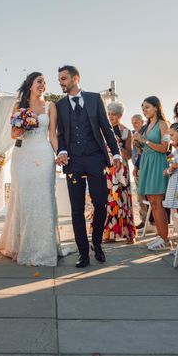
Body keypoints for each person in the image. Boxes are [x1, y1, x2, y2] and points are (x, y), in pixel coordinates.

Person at [55, 65, 121, 268]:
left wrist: (116, 152)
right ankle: (83, 252)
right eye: (59, 79)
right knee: (76, 209)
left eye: (64, 78)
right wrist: (62, 151)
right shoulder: (59, 105)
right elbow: (60, 133)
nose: (61, 82)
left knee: (100, 203)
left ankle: (97, 244)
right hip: (73, 161)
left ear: (75, 78)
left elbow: (106, 128)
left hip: (95, 158)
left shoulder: (94, 99)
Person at [0, 72, 63, 266]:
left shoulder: (50, 106)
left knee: (43, 197)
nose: (43, 85)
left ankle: (45, 247)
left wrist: (59, 153)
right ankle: (20, 245)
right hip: (22, 156)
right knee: (23, 198)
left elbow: (52, 136)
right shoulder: (19, 107)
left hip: (43, 155)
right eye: (39, 81)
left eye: (44, 82)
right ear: (30, 85)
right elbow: (13, 134)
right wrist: (21, 128)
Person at [137, 96, 170, 250]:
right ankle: (159, 236)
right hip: (147, 163)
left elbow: (165, 148)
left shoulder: (163, 124)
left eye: (147, 107)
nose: (144, 110)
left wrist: (145, 141)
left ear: (156, 107)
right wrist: (137, 143)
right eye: (143, 108)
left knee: (157, 202)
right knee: (152, 202)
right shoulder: (145, 126)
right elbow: (143, 148)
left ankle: (165, 239)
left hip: (158, 163)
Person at [100, 101, 136, 244]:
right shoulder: (102, 131)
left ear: (120, 115)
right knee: (108, 200)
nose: (110, 117)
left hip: (121, 169)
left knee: (123, 199)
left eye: (113, 114)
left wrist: (116, 145)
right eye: (108, 114)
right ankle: (108, 233)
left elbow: (128, 155)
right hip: (107, 169)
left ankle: (129, 234)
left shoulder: (126, 131)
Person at [130, 113, 148, 229]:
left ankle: (152, 222)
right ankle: (144, 220)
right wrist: (135, 167)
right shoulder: (133, 134)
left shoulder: (146, 133)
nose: (134, 125)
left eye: (136, 122)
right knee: (140, 197)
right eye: (132, 123)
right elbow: (135, 153)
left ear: (142, 122)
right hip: (138, 168)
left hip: (147, 168)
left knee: (149, 197)